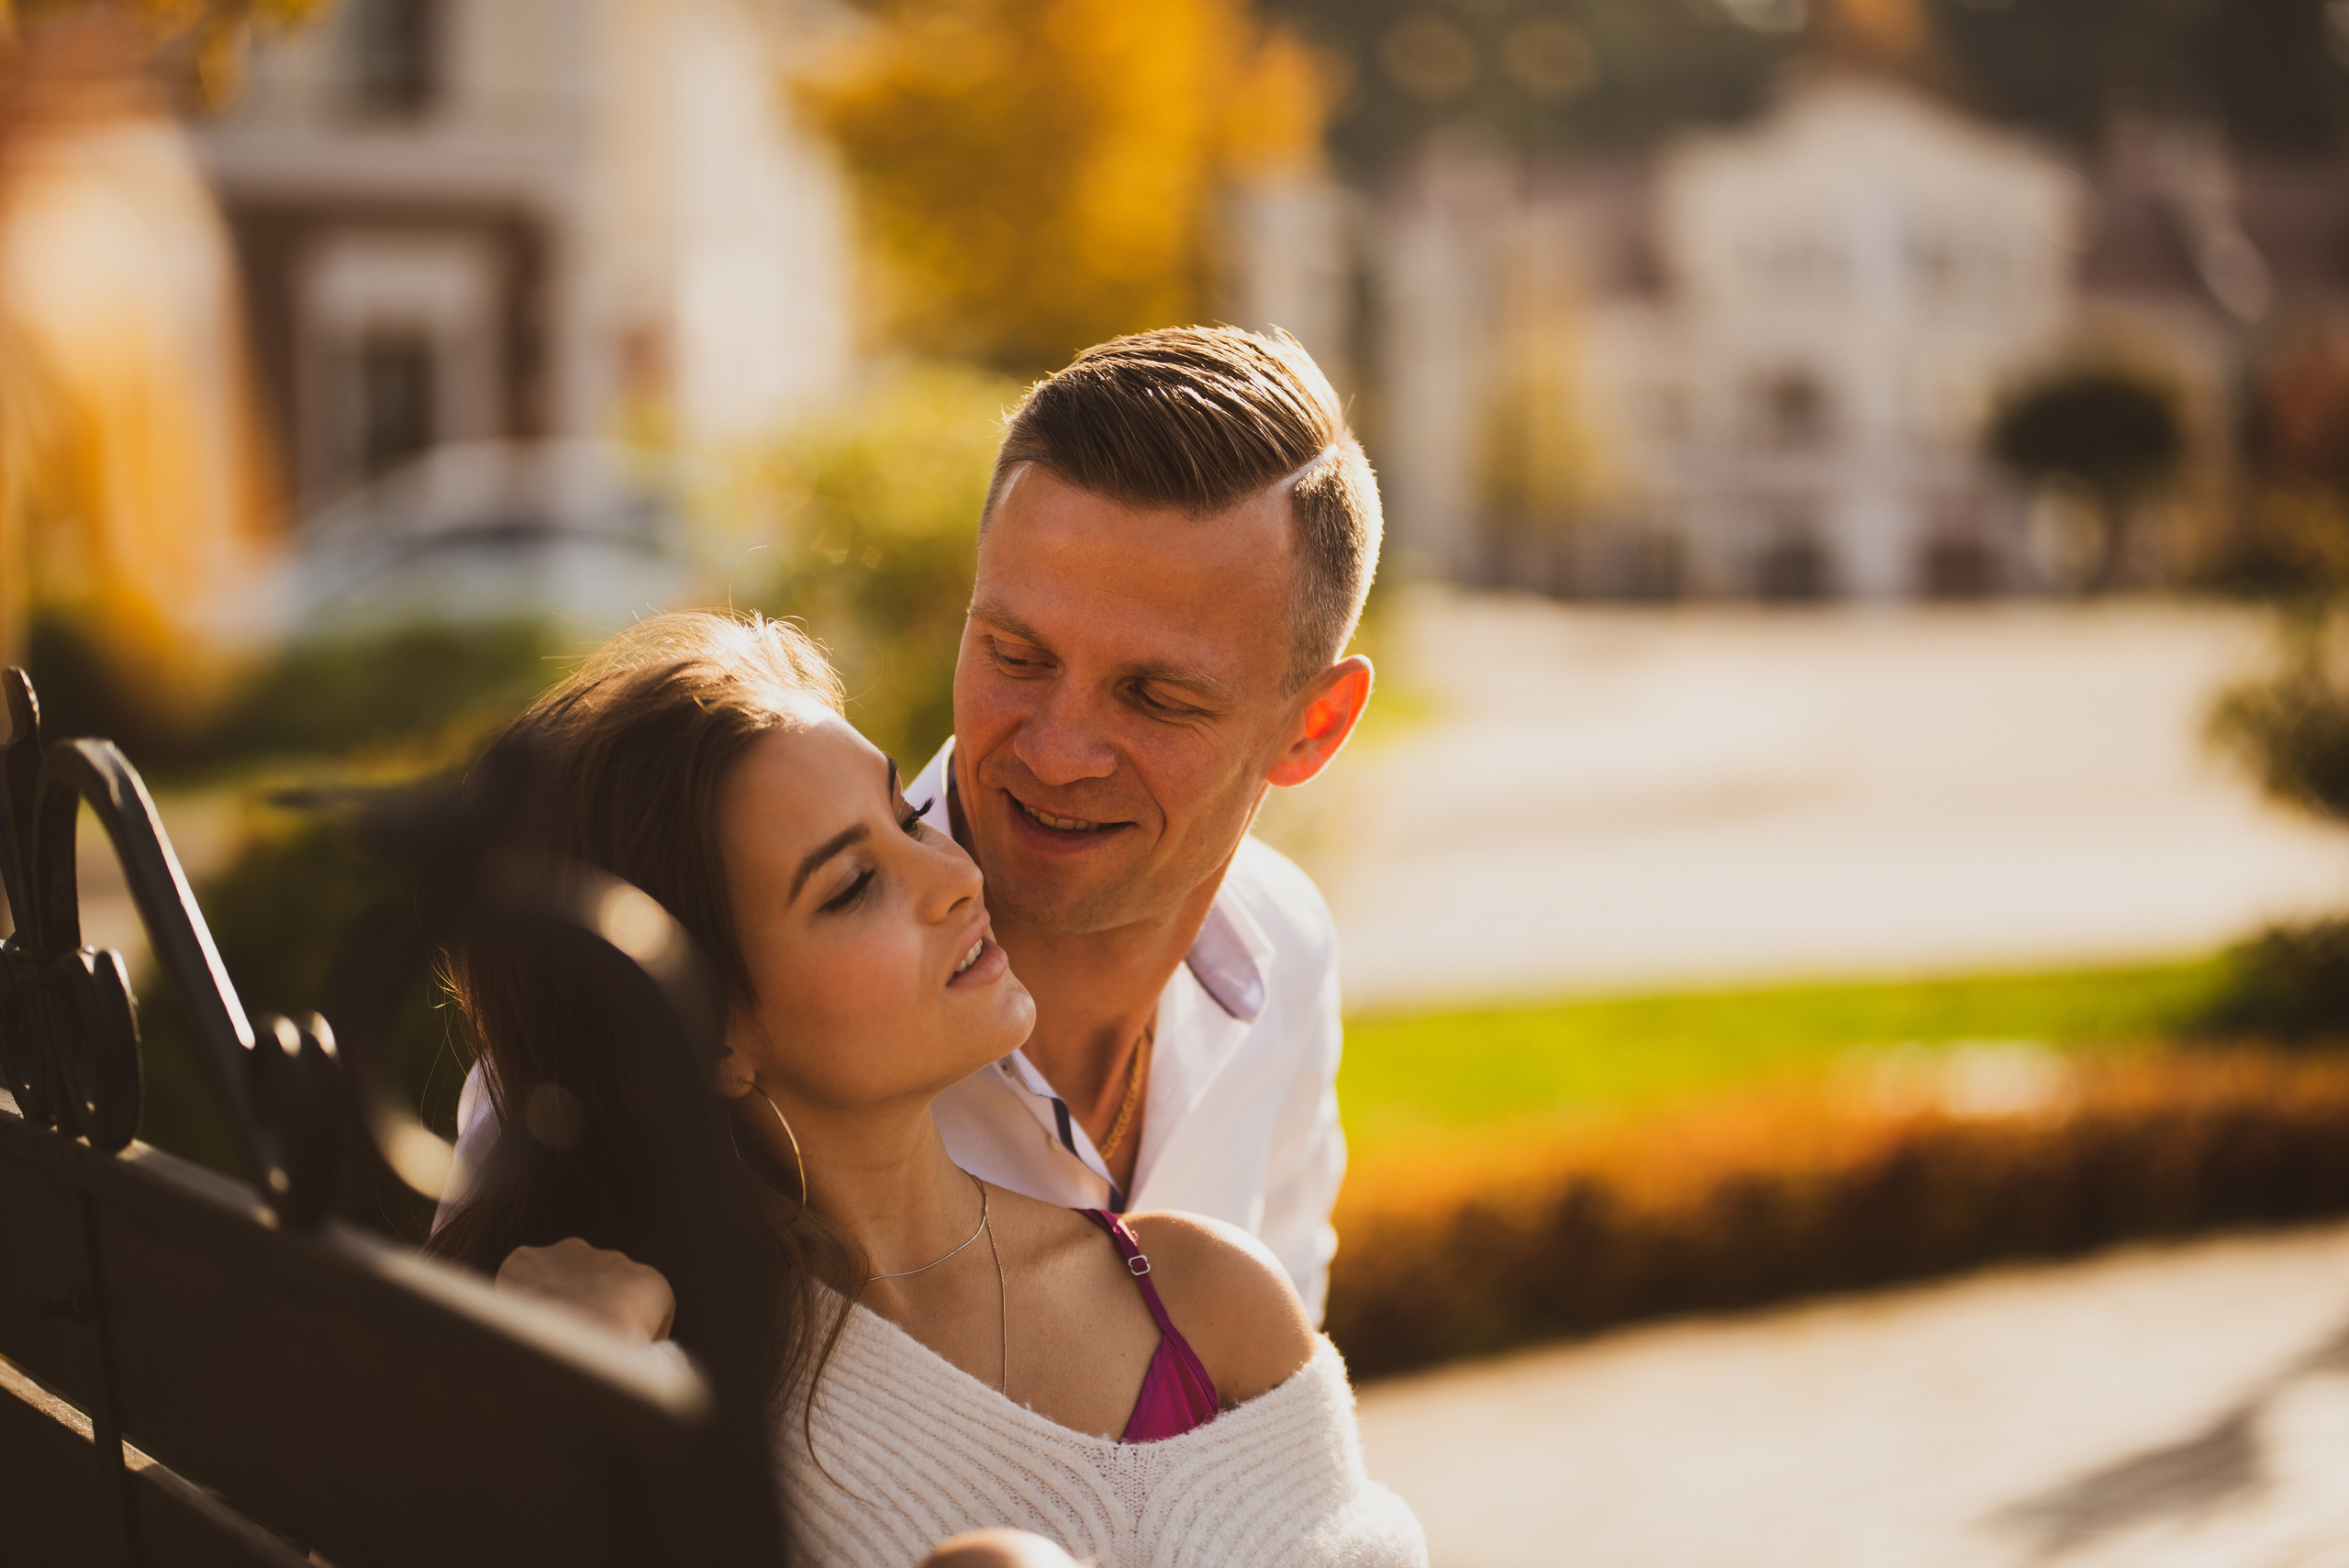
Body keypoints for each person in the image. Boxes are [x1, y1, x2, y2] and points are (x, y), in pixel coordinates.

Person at [429, 612, 1424, 1568]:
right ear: (702, 1038)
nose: (952, 874)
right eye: (851, 883)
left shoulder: (1205, 1297)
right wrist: (596, 1386)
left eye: (905, 813)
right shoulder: (652, 1369)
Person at [451, 325, 1381, 1319]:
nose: (1057, 751)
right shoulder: (698, 969)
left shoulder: (1286, 947)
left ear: (1311, 728)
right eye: (1016, 655)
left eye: (1155, 697)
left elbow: (1277, 1424)